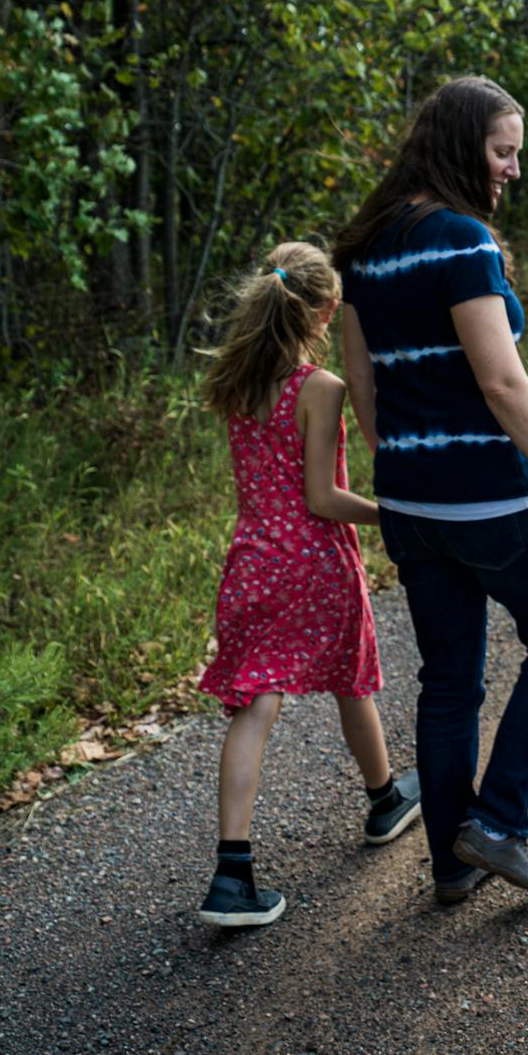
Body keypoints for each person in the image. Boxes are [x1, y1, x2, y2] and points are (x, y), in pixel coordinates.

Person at [334, 77, 528, 905]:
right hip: (493, 500)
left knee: (449, 678)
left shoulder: (363, 248)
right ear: (460, 147)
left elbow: (362, 387)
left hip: (410, 504)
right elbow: (503, 382)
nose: (513, 169)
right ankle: (498, 821)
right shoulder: (461, 242)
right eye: (502, 150)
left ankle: (451, 865)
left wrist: (412, 469)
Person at [194, 241, 421, 928]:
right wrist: (391, 510)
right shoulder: (320, 388)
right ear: (326, 312)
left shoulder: (239, 384)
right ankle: (383, 798)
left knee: (255, 707)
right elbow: (322, 497)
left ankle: (232, 872)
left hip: (252, 561)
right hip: (315, 562)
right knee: (353, 679)